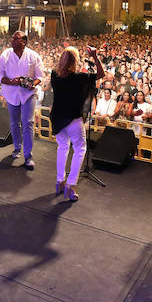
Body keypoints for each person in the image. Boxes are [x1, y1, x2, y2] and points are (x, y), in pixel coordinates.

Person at [50, 46, 104, 201]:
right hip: (73, 119)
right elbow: (101, 74)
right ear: (76, 61)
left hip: (58, 118)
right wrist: (94, 56)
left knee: (63, 147)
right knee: (80, 149)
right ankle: (71, 185)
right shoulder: (79, 77)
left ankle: (60, 181)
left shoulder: (54, 74)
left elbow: (61, 71)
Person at [0, 30, 44, 169]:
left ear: (23, 42)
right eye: (12, 38)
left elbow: (40, 76)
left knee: (28, 123)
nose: (12, 40)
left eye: (16, 39)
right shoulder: (5, 55)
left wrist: (32, 84)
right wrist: (12, 82)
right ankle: (17, 147)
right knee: (14, 123)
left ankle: (28, 155)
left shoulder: (33, 56)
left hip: (28, 94)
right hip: (11, 94)